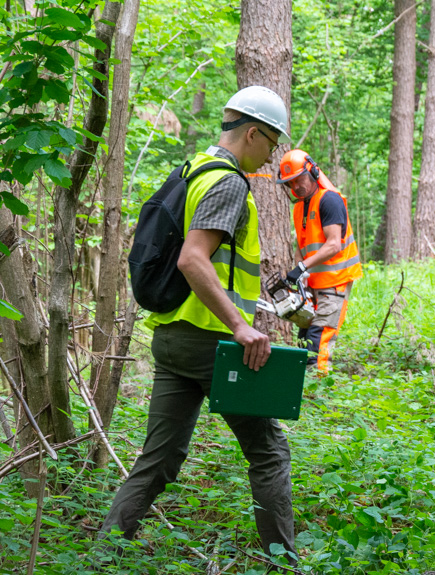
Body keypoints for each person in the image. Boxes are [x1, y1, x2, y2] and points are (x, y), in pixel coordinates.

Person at [99, 86, 298, 565]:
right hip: (210, 343)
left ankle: (99, 555)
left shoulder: (193, 169)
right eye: (272, 142)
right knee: (269, 451)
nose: (272, 155)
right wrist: (240, 327)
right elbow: (193, 259)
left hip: (171, 340)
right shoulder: (228, 183)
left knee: (159, 459)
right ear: (252, 132)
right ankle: (283, 561)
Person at [275, 149, 362, 372]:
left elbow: (334, 244)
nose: (296, 187)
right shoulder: (300, 207)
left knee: (319, 339)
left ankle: (320, 392)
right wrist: (300, 272)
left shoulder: (329, 200)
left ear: (312, 172)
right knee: (304, 338)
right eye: (290, 183)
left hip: (335, 280)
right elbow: (302, 246)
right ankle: (305, 392)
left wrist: (303, 266)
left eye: (299, 180)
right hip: (313, 283)